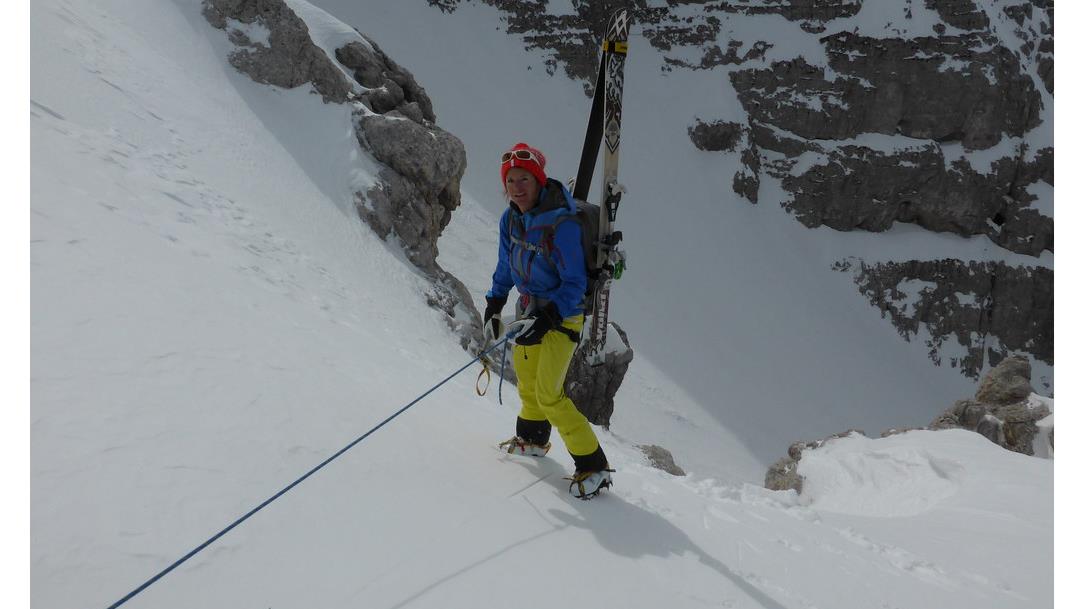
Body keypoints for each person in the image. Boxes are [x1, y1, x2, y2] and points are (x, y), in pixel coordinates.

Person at [482, 142, 613, 500]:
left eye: (524, 179)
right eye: (511, 180)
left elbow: (576, 282)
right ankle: (532, 439)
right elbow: (506, 265)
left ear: (539, 181)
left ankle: (594, 466)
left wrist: (549, 316)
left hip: (563, 315)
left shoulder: (562, 224)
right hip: (529, 311)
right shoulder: (511, 219)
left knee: (549, 394)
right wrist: (495, 302)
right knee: (527, 382)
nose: (517, 187)